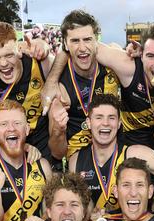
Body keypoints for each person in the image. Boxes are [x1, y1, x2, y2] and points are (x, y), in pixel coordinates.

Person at [68, 93, 154, 213]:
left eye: (111, 118)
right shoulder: (76, 161)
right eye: (99, 117)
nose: (105, 123)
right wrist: (91, 217)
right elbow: (81, 208)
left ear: (119, 123)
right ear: (89, 123)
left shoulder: (137, 153)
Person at [0, 21, 54, 158]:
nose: (3, 63)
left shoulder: (41, 64)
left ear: (19, 49)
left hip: (41, 145)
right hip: (6, 149)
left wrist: (44, 46)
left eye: (8, 55)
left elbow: (66, 60)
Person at [46, 10, 120, 161]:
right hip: (79, 157)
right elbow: (57, 153)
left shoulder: (113, 65)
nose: (82, 47)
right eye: (75, 41)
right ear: (65, 44)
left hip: (114, 149)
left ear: (96, 40)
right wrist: (58, 131)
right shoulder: (60, 89)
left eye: (87, 39)